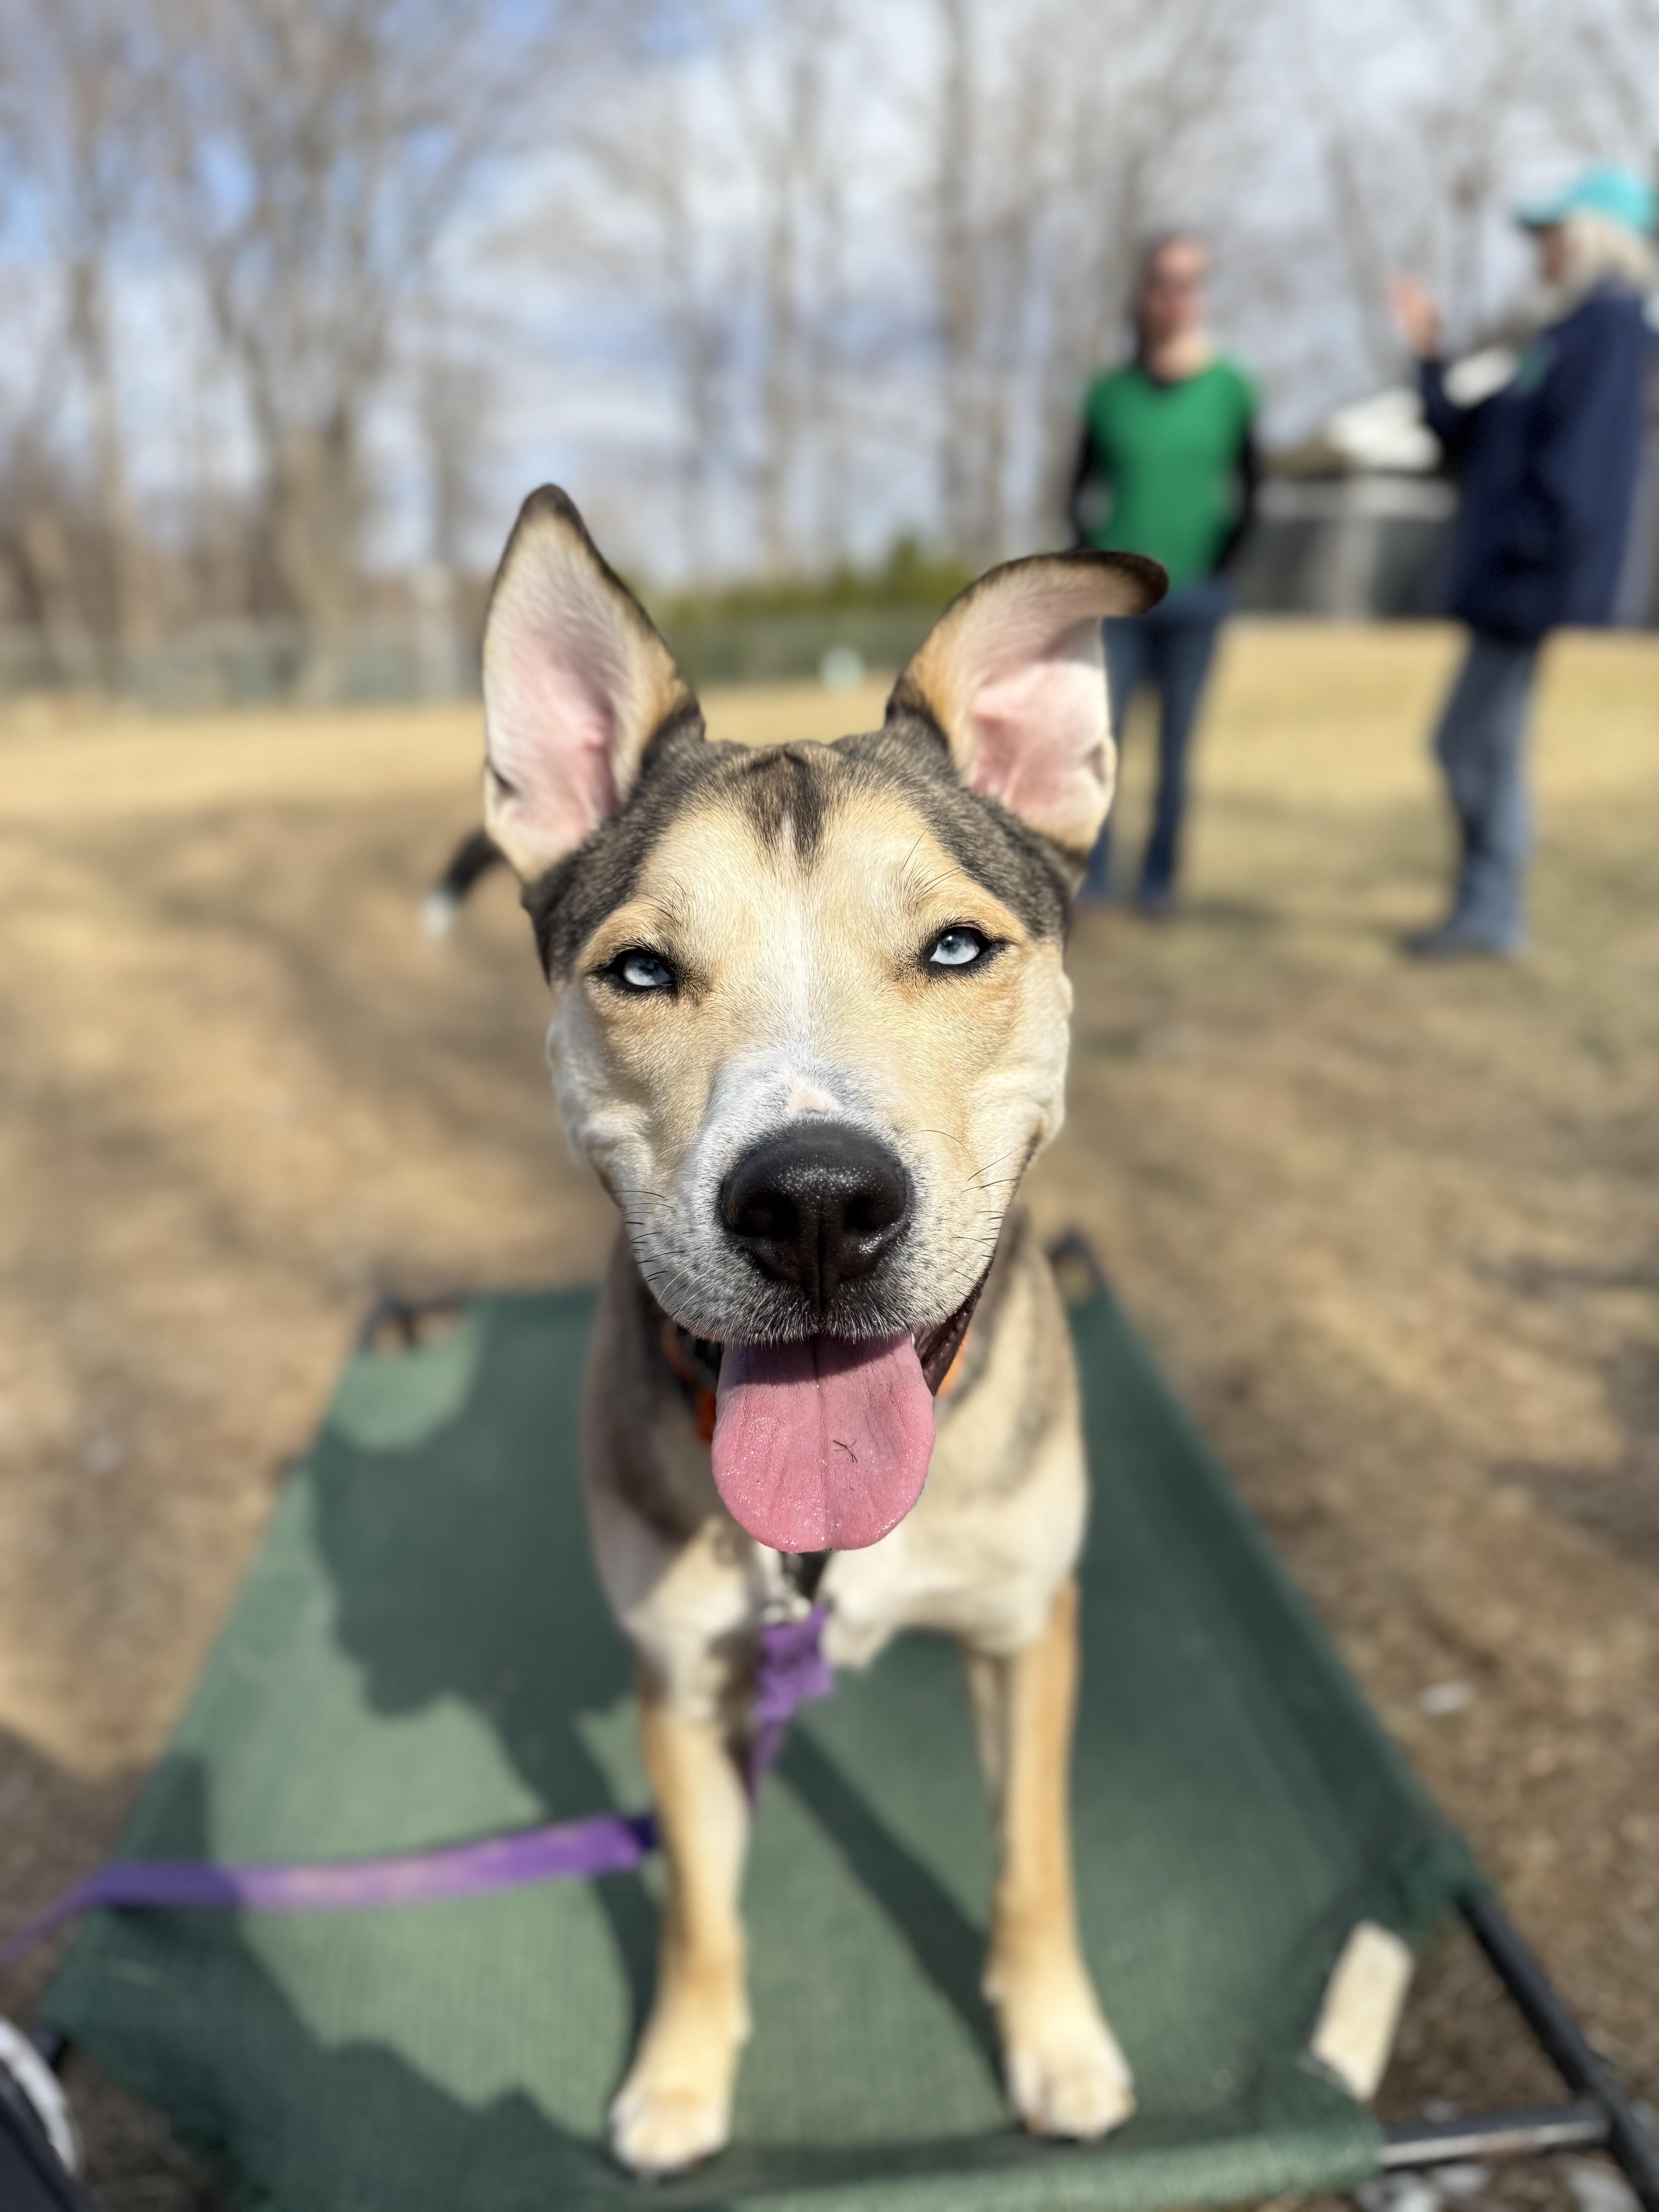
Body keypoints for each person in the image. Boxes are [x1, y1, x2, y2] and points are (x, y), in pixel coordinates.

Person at [1393, 167, 1657, 959]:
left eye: (1548, 236)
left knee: (1468, 741)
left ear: (1588, 239)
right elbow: (1468, 436)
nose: (1537, 252)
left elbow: (1579, 469)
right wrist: (1430, 354)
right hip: (1510, 573)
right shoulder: (1554, 333)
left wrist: (1528, 550)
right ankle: (1487, 911)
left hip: (1528, 578)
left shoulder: (1610, 327)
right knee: (1488, 741)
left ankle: (1492, 911)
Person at [1068, 230, 1259, 912]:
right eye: (1164, 282)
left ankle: (1160, 884)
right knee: (1103, 743)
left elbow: (1250, 491)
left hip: (1198, 600)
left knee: (1178, 749)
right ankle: (1096, 879)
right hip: (1122, 603)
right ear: (1143, 293)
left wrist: (1216, 565)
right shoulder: (1109, 395)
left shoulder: (1231, 390)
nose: (1176, 298)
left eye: (1190, 283)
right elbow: (1078, 494)